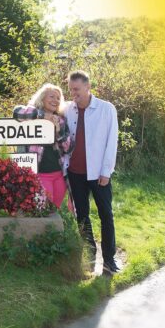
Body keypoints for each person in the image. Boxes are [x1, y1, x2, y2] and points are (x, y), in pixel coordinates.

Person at [63, 70, 120, 275]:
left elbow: (111, 142)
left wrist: (106, 171)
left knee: (106, 215)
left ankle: (109, 260)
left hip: (98, 174)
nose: (73, 93)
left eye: (76, 89)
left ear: (88, 87)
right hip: (75, 173)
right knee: (82, 217)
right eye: (70, 89)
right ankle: (89, 256)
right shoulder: (68, 109)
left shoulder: (106, 109)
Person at [12, 83, 74, 209]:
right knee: (43, 209)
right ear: (42, 98)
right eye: (51, 96)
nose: (55, 100)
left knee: (54, 209)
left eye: (58, 98)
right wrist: (43, 116)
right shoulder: (32, 115)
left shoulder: (60, 120)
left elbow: (69, 148)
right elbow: (17, 112)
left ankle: (52, 229)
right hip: (40, 173)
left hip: (59, 174)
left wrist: (58, 132)